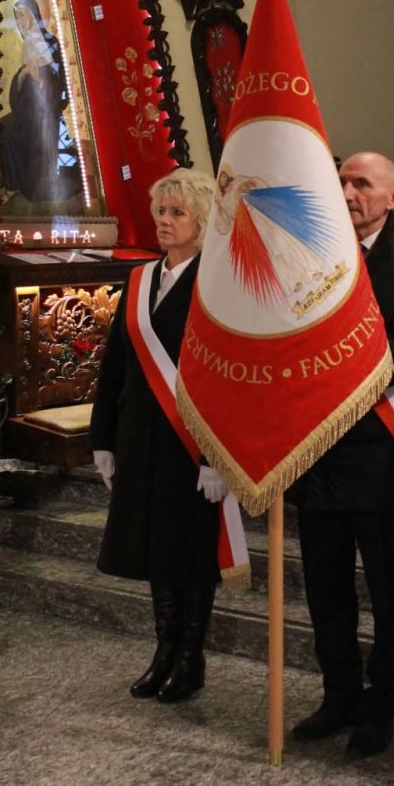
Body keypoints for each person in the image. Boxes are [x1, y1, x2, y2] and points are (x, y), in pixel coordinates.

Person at [291, 151, 394, 756]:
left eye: (362, 183)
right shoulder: (310, 254)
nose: (349, 192)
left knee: (387, 593)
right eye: (341, 181)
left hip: (378, 451)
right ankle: (338, 695)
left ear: (393, 197)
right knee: (325, 589)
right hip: (316, 452)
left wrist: (320, 364)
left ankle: (381, 707)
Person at [91, 169, 231, 704]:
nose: (165, 222)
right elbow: (116, 366)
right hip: (140, 436)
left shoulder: (218, 284)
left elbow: (228, 376)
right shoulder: (139, 279)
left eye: (177, 213)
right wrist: (103, 439)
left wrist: (218, 457)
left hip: (191, 444)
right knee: (153, 548)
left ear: (203, 221)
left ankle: (191, 657)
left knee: (188, 552)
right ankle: (165, 650)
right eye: (160, 212)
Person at [0, 0, 79, 204]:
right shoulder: (27, 44)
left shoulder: (51, 43)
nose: (19, 21)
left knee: (8, 133)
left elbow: (61, 82)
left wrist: (41, 80)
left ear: (34, 16)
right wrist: (24, 73)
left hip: (46, 114)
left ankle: (22, 186)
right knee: (1, 130)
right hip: (27, 112)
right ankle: (13, 185)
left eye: (22, 15)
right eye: (17, 16)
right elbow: (23, 81)